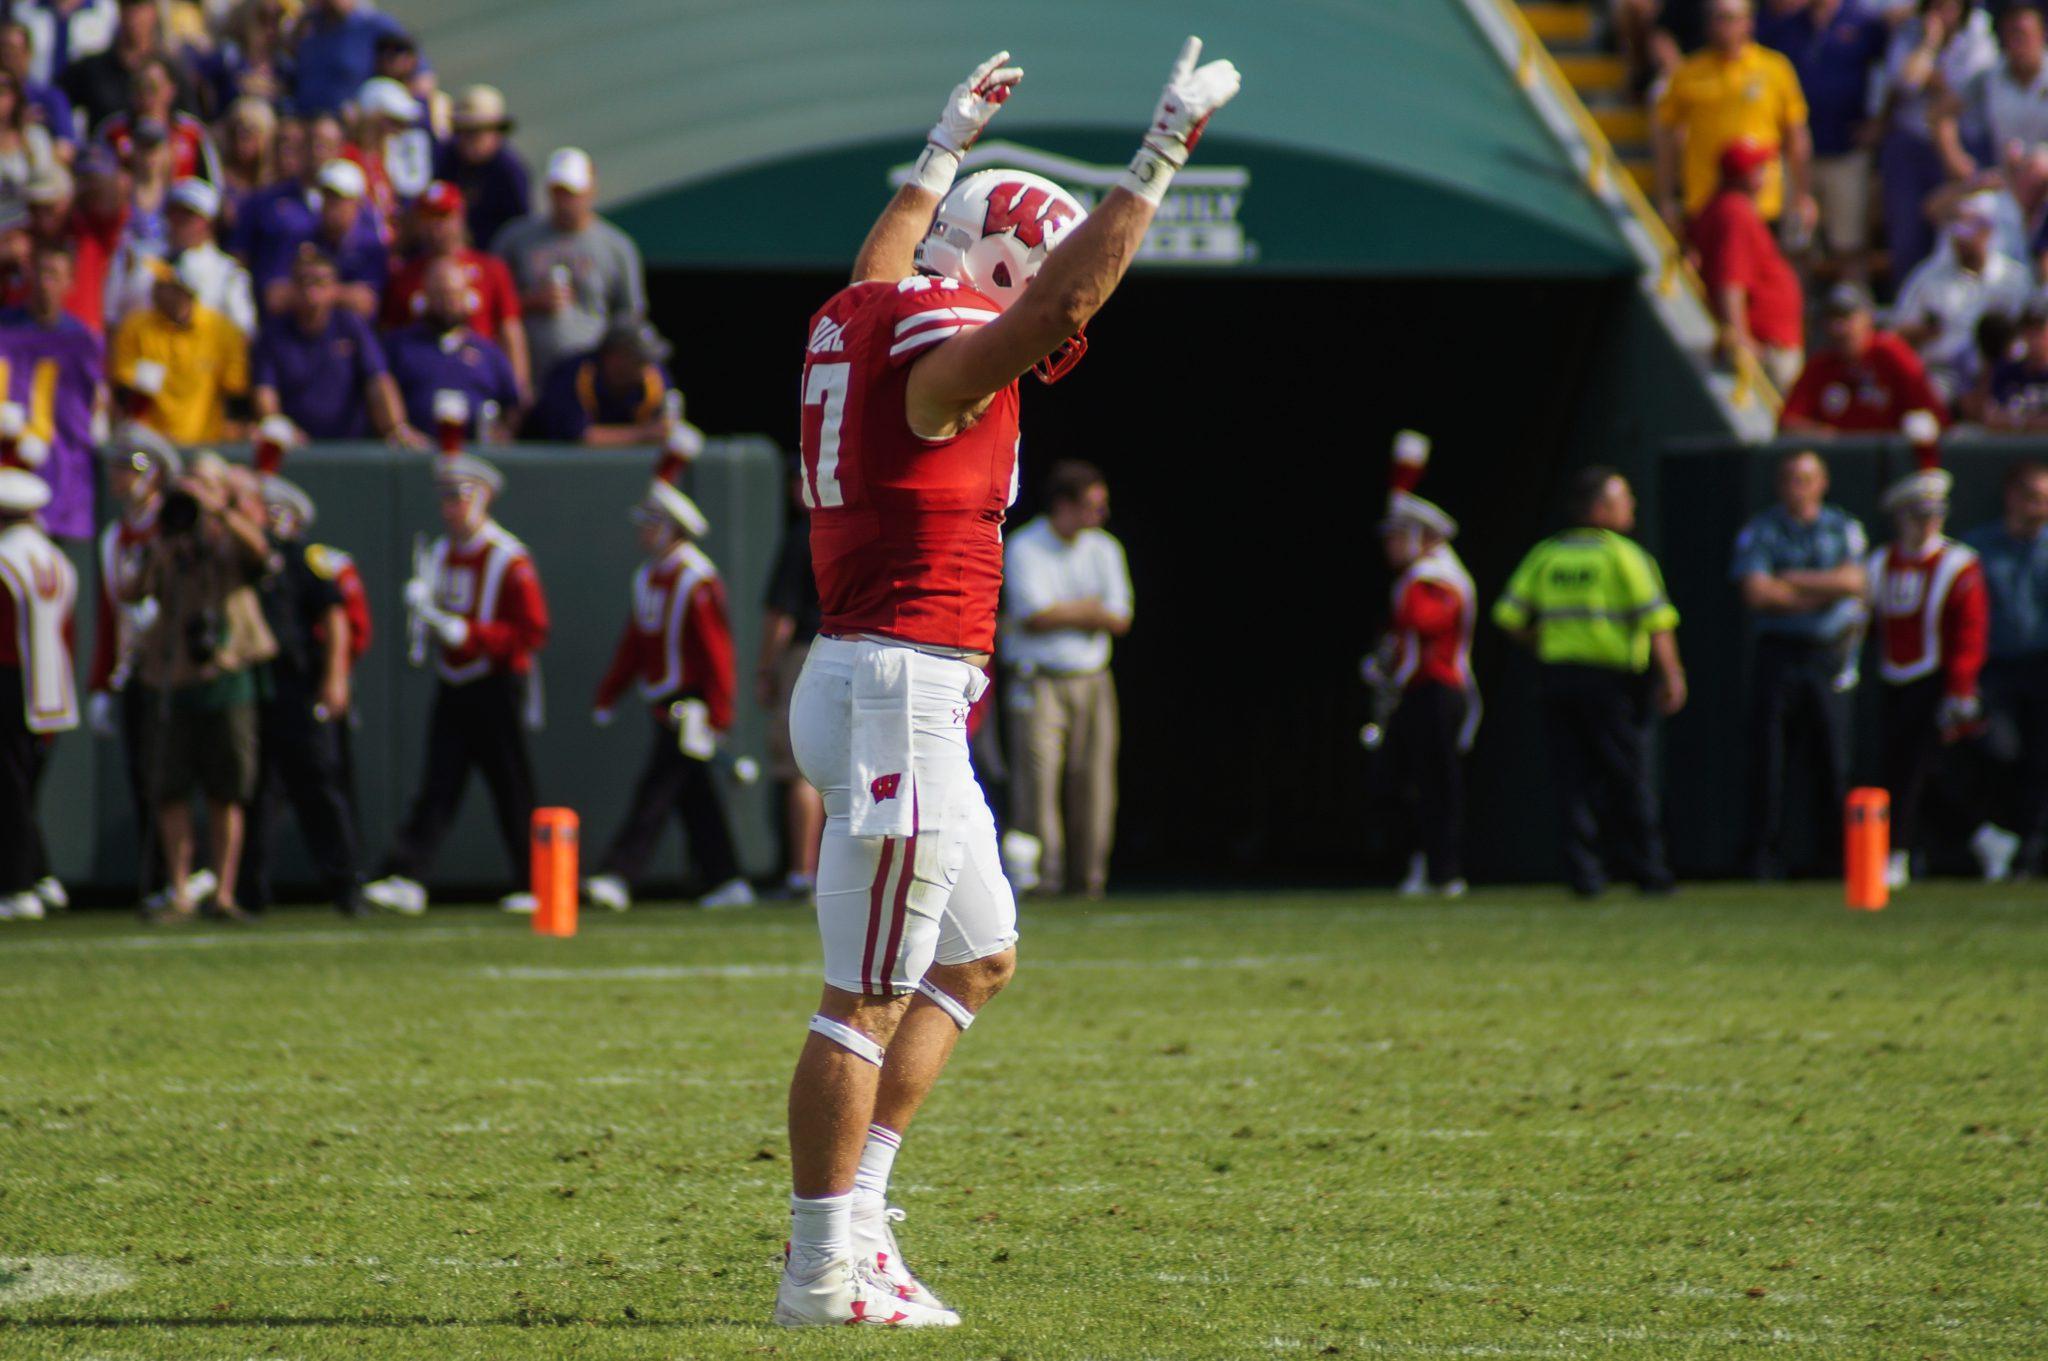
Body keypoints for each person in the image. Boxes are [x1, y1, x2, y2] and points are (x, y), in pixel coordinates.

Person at [776, 40, 1239, 1327]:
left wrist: (940, 151)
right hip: (895, 687)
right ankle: (819, 1273)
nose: (1040, 304)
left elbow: (893, 265)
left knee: (975, 954)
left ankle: (861, 1212)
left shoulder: (867, 307)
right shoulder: (944, 352)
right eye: (1021, 272)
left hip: (891, 679)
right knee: (861, 993)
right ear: (989, 272)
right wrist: (1155, 161)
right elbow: (1053, 315)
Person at [363, 455, 549, 916]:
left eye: (458, 497)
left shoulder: (508, 556)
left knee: (512, 785)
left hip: (497, 683)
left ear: (482, 498)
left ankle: (535, 880)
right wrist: (424, 616)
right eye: (444, 498)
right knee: (437, 783)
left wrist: (470, 634)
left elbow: (532, 631)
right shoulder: (440, 552)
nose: (449, 508)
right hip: (455, 682)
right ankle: (408, 874)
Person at [1494, 467, 1685, 897]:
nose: (1632, 506)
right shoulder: (1622, 555)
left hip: (1558, 678)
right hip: (1613, 683)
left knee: (1571, 781)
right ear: (1601, 509)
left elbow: (1508, 616)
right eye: (1624, 499)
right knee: (1629, 776)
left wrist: (1542, 643)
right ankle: (1649, 871)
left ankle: (1584, 876)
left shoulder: (1547, 554)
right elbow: (1657, 621)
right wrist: (1671, 674)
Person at [584, 475, 753, 912]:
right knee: (693, 795)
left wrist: (718, 713)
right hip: (663, 702)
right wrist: (610, 692)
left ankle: (619, 873)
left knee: (657, 791)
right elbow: (636, 642)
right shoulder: (647, 577)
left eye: (651, 523)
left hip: (690, 704)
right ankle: (727, 878)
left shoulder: (696, 579)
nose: (642, 531)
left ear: (670, 528)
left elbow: (717, 652)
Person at [126, 451, 276, 922]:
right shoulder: (170, 535)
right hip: (171, 674)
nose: (193, 492)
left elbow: (261, 555)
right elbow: (132, 590)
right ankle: (179, 890)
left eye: (204, 483)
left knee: (227, 788)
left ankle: (225, 892)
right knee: (170, 787)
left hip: (227, 672)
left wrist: (218, 511)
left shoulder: (229, 535)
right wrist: (164, 541)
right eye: (189, 482)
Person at [1730, 448, 1868, 879]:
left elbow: (1854, 582)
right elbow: (1757, 593)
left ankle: (1834, 857)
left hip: (1828, 653)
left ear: (1822, 483)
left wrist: (1793, 579)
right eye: (1791, 478)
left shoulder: (1842, 527)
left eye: (1807, 479)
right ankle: (1762, 857)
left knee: (1831, 756)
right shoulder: (1763, 530)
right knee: (1769, 757)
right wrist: (1824, 591)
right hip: (1779, 653)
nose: (1799, 487)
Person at [999, 458, 1131, 899]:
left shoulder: (1105, 549)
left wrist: (1069, 612)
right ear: (1063, 505)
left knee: (1094, 782)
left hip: (1092, 678)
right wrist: (1091, 609)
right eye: (1092, 506)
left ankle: (1089, 879)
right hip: (1039, 679)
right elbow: (1033, 615)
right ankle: (1043, 879)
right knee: (1038, 781)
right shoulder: (1025, 547)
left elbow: (1120, 617)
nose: (1100, 516)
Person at [237, 474, 366, 916]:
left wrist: (335, 677)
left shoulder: (300, 558)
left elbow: (335, 615)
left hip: (295, 685)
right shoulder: (234, 559)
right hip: (250, 687)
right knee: (252, 793)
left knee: (317, 787)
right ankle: (248, 890)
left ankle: (345, 885)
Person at [1867, 452, 1988, 888]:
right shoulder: (1880, 563)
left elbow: (1969, 633)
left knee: (1915, 769)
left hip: (1935, 680)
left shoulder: (1959, 564)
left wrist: (1960, 689)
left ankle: (1896, 852)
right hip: (1893, 679)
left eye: (1935, 513)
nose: (1927, 522)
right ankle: (1986, 838)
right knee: (1911, 768)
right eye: (1918, 514)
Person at [1366, 431, 1477, 898]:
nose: (1389, 546)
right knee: (1394, 783)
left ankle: (1445, 872)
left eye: (1398, 536)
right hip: (1412, 692)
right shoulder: (1413, 577)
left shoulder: (1436, 577)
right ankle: (1416, 863)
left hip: (1440, 689)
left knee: (1438, 785)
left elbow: (1423, 621)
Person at [1654, 0, 1816, 232]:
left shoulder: (1774, 69)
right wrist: (1667, 196)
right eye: (1715, 18)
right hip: (1705, 202)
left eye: (1729, 18)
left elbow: (1796, 135)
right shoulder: (1688, 74)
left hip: (1761, 202)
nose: (1722, 26)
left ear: (1748, 22)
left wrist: (1802, 194)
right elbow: (1666, 135)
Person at [1755, 0, 1888, 276]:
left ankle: (1852, 312)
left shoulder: (1863, 24)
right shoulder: (1786, 27)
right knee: (1795, 244)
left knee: (1849, 243)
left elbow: (1890, 71)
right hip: (1794, 155)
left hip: (1845, 148)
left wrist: (1880, 121)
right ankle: (1796, 313)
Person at [1961, 459, 2048, 879]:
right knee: (1999, 751)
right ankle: (1997, 835)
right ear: (2012, 497)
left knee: (2040, 761)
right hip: (1993, 671)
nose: (2041, 509)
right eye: (2034, 498)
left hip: (2042, 669)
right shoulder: (1978, 548)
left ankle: (2030, 852)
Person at [491, 146, 644, 381]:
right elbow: (490, 303)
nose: (564, 201)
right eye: (558, 192)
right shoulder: (515, 239)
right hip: (528, 372)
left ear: (591, 190)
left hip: (590, 376)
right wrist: (530, 301)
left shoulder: (616, 247)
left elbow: (629, 316)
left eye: (572, 192)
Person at [0, 465, 77, 922]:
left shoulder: (5, 558)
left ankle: (17, 884)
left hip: (8, 682)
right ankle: (42, 876)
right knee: (23, 787)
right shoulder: (57, 559)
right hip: (51, 688)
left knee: (9, 790)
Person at [251, 247, 416, 442]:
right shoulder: (273, 334)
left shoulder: (350, 325)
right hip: (295, 448)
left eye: (320, 282)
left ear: (334, 287)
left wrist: (396, 427)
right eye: (304, 282)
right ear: (292, 287)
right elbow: (265, 393)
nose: (312, 291)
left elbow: (378, 380)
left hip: (348, 446)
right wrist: (280, 430)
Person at [379, 179, 528, 394]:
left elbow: (510, 332)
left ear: (459, 218)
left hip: (478, 378)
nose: (435, 227)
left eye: (443, 217)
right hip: (422, 381)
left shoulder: (491, 269)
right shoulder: (404, 275)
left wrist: (518, 387)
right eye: (428, 218)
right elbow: (389, 335)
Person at [0, 241, 105, 541]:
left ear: (70, 283)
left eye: (55, 275)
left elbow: (95, 406)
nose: (46, 284)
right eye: (41, 272)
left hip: (61, 479)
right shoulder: (5, 329)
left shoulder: (82, 342)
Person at [1688, 136, 1804, 390]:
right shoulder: (1734, 212)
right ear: (1745, 176)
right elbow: (1730, 281)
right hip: (1765, 346)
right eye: (1759, 169)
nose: (1766, 175)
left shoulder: (1720, 207)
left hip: (1768, 340)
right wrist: (1742, 338)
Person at [1892, 193, 2031, 402]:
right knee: (1932, 396)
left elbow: (2032, 330)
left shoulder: (2013, 277)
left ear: (1987, 232)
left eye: (1968, 235)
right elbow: (1898, 331)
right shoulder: (1929, 277)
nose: (1961, 243)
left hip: (2004, 372)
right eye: (1957, 235)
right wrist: (1926, 330)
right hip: (1944, 372)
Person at [759, 466, 824, 898]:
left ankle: (802, 872)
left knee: (804, 769)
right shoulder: (854, 527)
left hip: (807, 655)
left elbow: (780, 617)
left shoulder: (802, 535)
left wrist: (765, 668)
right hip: (859, 652)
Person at [107, 252, 248, 442]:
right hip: (146, 449)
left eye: (165, 284)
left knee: (208, 470)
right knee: (134, 467)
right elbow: (122, 390)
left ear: (185, 290)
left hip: (203, 449)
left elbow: (236, 392)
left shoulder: (221, 331)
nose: (155, 288)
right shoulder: (135, 326)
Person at [383, 254, 520, 441]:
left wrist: (504, 432)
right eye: (439, 294)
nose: (447, 302)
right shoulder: (399, 347)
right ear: (425, 297)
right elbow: (381, 394)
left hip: (476, 458)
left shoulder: (488, 353)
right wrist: (401, 430)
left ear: (467, 297)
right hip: (415, 454)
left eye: (453, 294)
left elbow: (513, 403)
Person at [1781, 282, 1948, 432]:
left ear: (1868, 318)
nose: (1838, 328)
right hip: (1837, 462)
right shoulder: (1821, 365)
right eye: (1832, 319)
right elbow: (1788, 421)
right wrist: (1827, 437)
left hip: (1890, 461)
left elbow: (1934, 415)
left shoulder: (1890, 354)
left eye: (1847, 318)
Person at [103, 176, 253, 336]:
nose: (179, 221)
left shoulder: (227, 272)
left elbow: (242, 331)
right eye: (175, 213)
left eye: (189, 215)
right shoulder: (136, 255)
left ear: (208, 223)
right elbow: (111, 317)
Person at [253, 157, 385, 319]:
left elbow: (366, 304)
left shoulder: (369, 245)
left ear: (356, 203)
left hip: (349, 334)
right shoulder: (299, 236)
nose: (331, 205)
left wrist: (317, 290)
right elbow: (274, 298)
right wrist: (337, 293)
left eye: (339, 199)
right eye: (327, 197)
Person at [1935, 3, 2048, 183]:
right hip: (2007, 181)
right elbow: (1942, 112)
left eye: (2023, 34)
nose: (2018, 43)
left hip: (2043, 179)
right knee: (1957, 208)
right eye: (2011, 35)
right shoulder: (1989, 77)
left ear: (2042, 35)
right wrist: (1955, 159)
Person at [523, 316, 671, 445]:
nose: (647, 367)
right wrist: (643, 434)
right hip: (555, 464)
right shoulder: (573, 374)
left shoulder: (654, 375)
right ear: (614, 357)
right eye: (639, 359)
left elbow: (667, 426)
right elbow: (577, 436)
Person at [58, 0, 191, 133]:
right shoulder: (93, 69)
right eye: (127, 8)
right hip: (106, 149)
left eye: (141, 8)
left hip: (161, 149)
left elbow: (189, 123)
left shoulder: (172, 72)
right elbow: (57, 97)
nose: (134, 16)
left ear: (154, 12)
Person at [433, 84, 528, 253]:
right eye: (462, 131)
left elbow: (520, 229)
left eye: (476, 132)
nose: (467, 138)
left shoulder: (510, 173)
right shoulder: (445, 160)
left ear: (496, 133)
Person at [289, 0, 406, 116]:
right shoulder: (307, 26)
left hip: (351, 122)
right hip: (303, 118)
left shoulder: (374, 25)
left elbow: (415, 73)